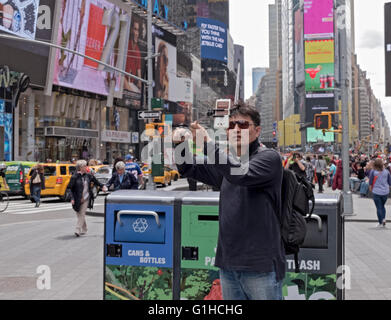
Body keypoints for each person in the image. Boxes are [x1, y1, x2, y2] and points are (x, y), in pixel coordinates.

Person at [173, 102, 285, 300]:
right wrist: (180, 143)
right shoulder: (226, 164)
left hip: (261, 266)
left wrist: (207, 144)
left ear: (257, 131)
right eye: (231, 125)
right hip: (228, 265)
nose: (236, 129)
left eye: (243, 125)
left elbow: (241, 174)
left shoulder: (269, 158)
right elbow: (189, 169)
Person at [69, 160, 106, 237]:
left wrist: (102, 186)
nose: (86, 167)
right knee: (79, 214)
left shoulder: (88, 176)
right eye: (85, 166)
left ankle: (77, 229)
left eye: (86, 166)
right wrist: (72, 198)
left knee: (82, 213)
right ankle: (84, 228)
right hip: (77, 198)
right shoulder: (74, 177)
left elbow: (96, 182)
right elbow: (70, 188)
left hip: (86, 197)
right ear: (80, 167)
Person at [369, 158, 391, 228]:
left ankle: (380, 222)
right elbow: (389, 182)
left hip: (376, 191)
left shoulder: (373, 171)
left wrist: (370, 189)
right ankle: (383, 219)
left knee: (379, 207)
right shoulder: (386, 171)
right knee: (382, 206)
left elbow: (370, 182)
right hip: (385, 192)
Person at [124, 18, 142, 93]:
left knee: (137, 94)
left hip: (130, 82)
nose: (136, 33)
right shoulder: (126, 45)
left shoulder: (137, 50)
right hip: (122, 78)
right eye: (135, 29)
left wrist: (139, 82)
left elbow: (138, 68)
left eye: (138, 30)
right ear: (131, 30)